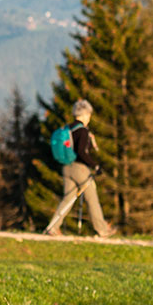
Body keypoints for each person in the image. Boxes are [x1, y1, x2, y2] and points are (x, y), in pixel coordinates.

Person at [43, 99, 112, 239]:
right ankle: (102, 229)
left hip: (66, 168)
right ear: (85, 114)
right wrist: (95, 166)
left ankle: (53, 227)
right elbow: (82, 152)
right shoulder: (83, 131)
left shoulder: (68, 129)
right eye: (89, 114)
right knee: (92, 198)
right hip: (79, 169)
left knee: (68, 199)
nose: (89, 117)